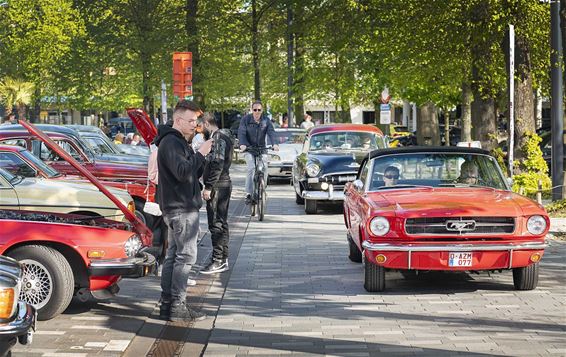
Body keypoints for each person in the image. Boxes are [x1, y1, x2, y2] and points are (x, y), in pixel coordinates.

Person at [154, 99, 213, 322]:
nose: (194, 126)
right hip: (181, 208)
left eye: (196, 121)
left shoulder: (174, 141)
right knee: (185, 257)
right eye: (190, 121)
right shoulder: (172, 142)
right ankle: (177, 306)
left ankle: (168, 305)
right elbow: (182, 172)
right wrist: (201, 153)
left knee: (174, 256)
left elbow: (187, 171)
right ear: (177, 120)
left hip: (177, 207)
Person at [200, 113, 233, 275]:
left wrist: (208, 186)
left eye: (200, 126)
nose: (200, 129)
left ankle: (218, 260)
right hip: (223, 184)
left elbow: (217, 163)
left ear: (206, 124)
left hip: (218, 186)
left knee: (216, 223)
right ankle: (222, 259)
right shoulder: (223, 136)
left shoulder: (217, 138)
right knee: (221, 222)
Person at [238, 100, 279, 202]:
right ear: (252, 110)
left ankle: (262, 188)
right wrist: (242, 144)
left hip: (262, 148)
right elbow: (241, 132)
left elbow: (271, 132)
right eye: (255, 110)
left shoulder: (266, 121)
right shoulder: (245, 120)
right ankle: (248, 193)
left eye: (259, 110)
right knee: (251, 167)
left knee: (264, 167)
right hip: (249, 148)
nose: (257, 112)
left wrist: (275, 144)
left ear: (262, 110)